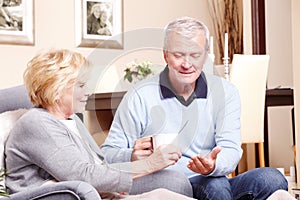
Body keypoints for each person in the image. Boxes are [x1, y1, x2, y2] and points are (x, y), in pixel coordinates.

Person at [100, 16, 288, 199]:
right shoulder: (139, 95)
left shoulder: (225, 92)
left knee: (272, 178)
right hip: (173, 183)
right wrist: (132, 155)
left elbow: (230, 148)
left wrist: (213, 165)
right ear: (165, 54)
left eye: (195, 55)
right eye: (178, 55)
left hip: (214, 176)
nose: (187, 64)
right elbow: (106, 154)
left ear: (206, 54)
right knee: (216, 187)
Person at [4, 49, 194, 199]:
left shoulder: (70, 121)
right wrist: (149, 164)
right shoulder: (37, 123)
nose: (88, 92)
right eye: (81, 85)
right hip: (68, 194)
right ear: (56, 88)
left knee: (173, 184)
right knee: (171, 187)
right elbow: (83, 175)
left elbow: (97, 164)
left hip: (99, 193)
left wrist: (133, 157)